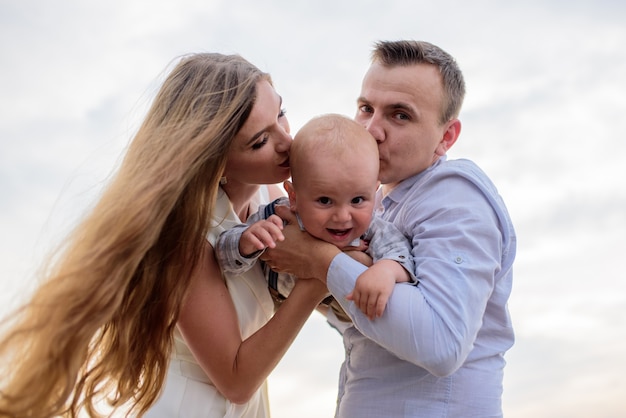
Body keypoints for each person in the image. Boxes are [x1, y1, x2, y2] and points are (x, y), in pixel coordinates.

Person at [0, 53, 328, 418]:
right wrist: (316, 281)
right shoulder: (184, 235)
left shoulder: (272, 199)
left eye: (281, 113)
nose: (287, 141)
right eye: (259, 141)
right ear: (215, 159)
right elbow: (236, 380)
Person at [262, 40, 517, 417]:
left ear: (446, 137)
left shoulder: (455, 195)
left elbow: (442, 343)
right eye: (365, 108)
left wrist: (319, 260)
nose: (371, 130)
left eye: (399, 115)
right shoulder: (369, 205)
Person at [215, 113, 416, 322]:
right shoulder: (276, 217)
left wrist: (386, 271)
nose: (342, 216)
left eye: (357, 200)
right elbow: (223, 256)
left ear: (374, 192)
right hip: (276, 299)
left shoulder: (374, 228)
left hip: (342, 304)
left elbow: (402, 256)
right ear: (293, 197)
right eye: (325, 201)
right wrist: (245, 241)